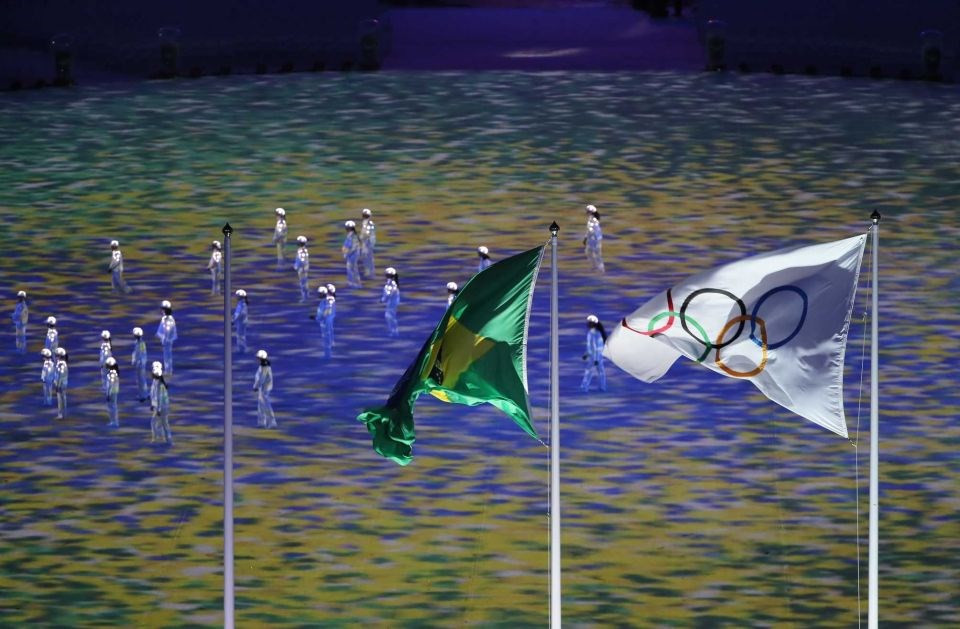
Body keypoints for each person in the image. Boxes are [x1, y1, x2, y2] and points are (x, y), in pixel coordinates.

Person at [580, 314, 607, 392]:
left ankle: (585, 387)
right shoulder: (591, 333)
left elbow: (595, 347)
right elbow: (590, 346)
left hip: (596, 356)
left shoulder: (595, 334)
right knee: (599, 371)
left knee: (591, 371)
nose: (588, 324)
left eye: (589, 322)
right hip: (595, 356)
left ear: (593, 324)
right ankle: (602, 387)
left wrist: (595, 359)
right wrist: (586, 354)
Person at [253, 349, 277, 428]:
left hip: (264, 388)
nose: (257, 359)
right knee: (261, 405)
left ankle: (271, 423)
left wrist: (256, 386)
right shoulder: (264, 366)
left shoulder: (264, 367)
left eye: (258, 358)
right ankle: (262, 423)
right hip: (263, 388)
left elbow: (261, 378)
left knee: (265, 405)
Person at [150, 361, 172, 444]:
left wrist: (158, 409)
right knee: (160, 423)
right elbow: (153, 394)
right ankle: (162, 439)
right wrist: (152, 405)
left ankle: (159, 439)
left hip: (161, 407)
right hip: (160, 406)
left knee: (161, 423)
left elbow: (159, 397)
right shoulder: (156, 382)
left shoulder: (159, 384)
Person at [156, 300, 177, 376]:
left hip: (167, 341)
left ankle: (168, 370)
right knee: (166, 355)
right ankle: (168, 369)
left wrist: (165, 338)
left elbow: (168, 330)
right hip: (166, 340)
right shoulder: (165, 318)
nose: (161, 311)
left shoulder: (168, 319)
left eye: (162, 309)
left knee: (167, 355)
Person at [583, 204, 605, 273]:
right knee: (590, 252)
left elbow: (592, 230)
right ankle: (596, 267)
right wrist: (586, 238)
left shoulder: (594, 220)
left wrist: (589, 237)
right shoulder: (591, 219)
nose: (586, 213)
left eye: (587, 211)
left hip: (594, 239)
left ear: (590, 212)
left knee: (595, 253)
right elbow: (589, 230)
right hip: (593, 239)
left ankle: (600, 269)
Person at [342, 220, 362, 288]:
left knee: (352, 269)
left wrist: (347, 254)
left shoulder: (353, 236)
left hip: (352, 255)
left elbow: (352, 248)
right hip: (352, 255)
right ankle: (354, 283)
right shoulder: (351, 235)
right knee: (352, 269)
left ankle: (354, 284)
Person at [131, 327, 149, 402]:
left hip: (140, 364)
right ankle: (143, 394)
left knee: (141, 380)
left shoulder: (141, 344)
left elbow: (142, 354)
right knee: (140, 380)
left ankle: (143, 395)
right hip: (139, 363)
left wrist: (140, 362)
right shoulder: (137, 343)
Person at [381, 267, 400, 337]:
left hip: (392, 302)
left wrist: (384, 298)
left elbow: (391, 292)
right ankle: (393, 331)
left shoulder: (392, 283)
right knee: (389, 316)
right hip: (391, 302)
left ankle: (394, 331)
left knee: (390, 316)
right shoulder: (391, 283)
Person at [359, 208, 377, 279]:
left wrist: (360, 238)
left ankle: (368, 273)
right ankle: (370, 273)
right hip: (370, 243)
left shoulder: (365, 224)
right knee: (369, 258)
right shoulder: (371, 223)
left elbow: (365, 234)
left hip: (366, 244)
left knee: (366, 258)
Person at [53, 347, 69, 419]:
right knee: (61, 398)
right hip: (60, 383)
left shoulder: (61, 365)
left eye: (56, 355)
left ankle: (61, 414)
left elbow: (61, 375)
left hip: (61, 384)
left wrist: (58, 385)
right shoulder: (59, 364)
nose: (55, 357)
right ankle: (63, 413)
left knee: (61, 399)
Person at [104, 356, 120, 427]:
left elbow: (111, 385)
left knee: (112, 407)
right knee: (113, 407)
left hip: (112, 392)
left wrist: (109, 394)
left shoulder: (112, 374)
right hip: (113, 391)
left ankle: (114, 422)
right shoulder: (112, 373)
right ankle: (113, 421)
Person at [293, 235, 310, 302]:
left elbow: (301, 260)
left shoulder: (301, 251)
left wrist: (296, 266)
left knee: (303, 282)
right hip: (304, 268)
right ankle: (306, 295)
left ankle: (304, 297)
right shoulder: (304, 250)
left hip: (302, 269)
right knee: (304, 282)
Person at [322, 284, 336, 358]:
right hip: (330, 316)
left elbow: (329, 308)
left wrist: (324, 315)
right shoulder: (329, 298)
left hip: (328, 316)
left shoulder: (330, 299)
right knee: (330, 328)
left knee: (327, 330)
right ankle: (331, 341)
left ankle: (328, 350)